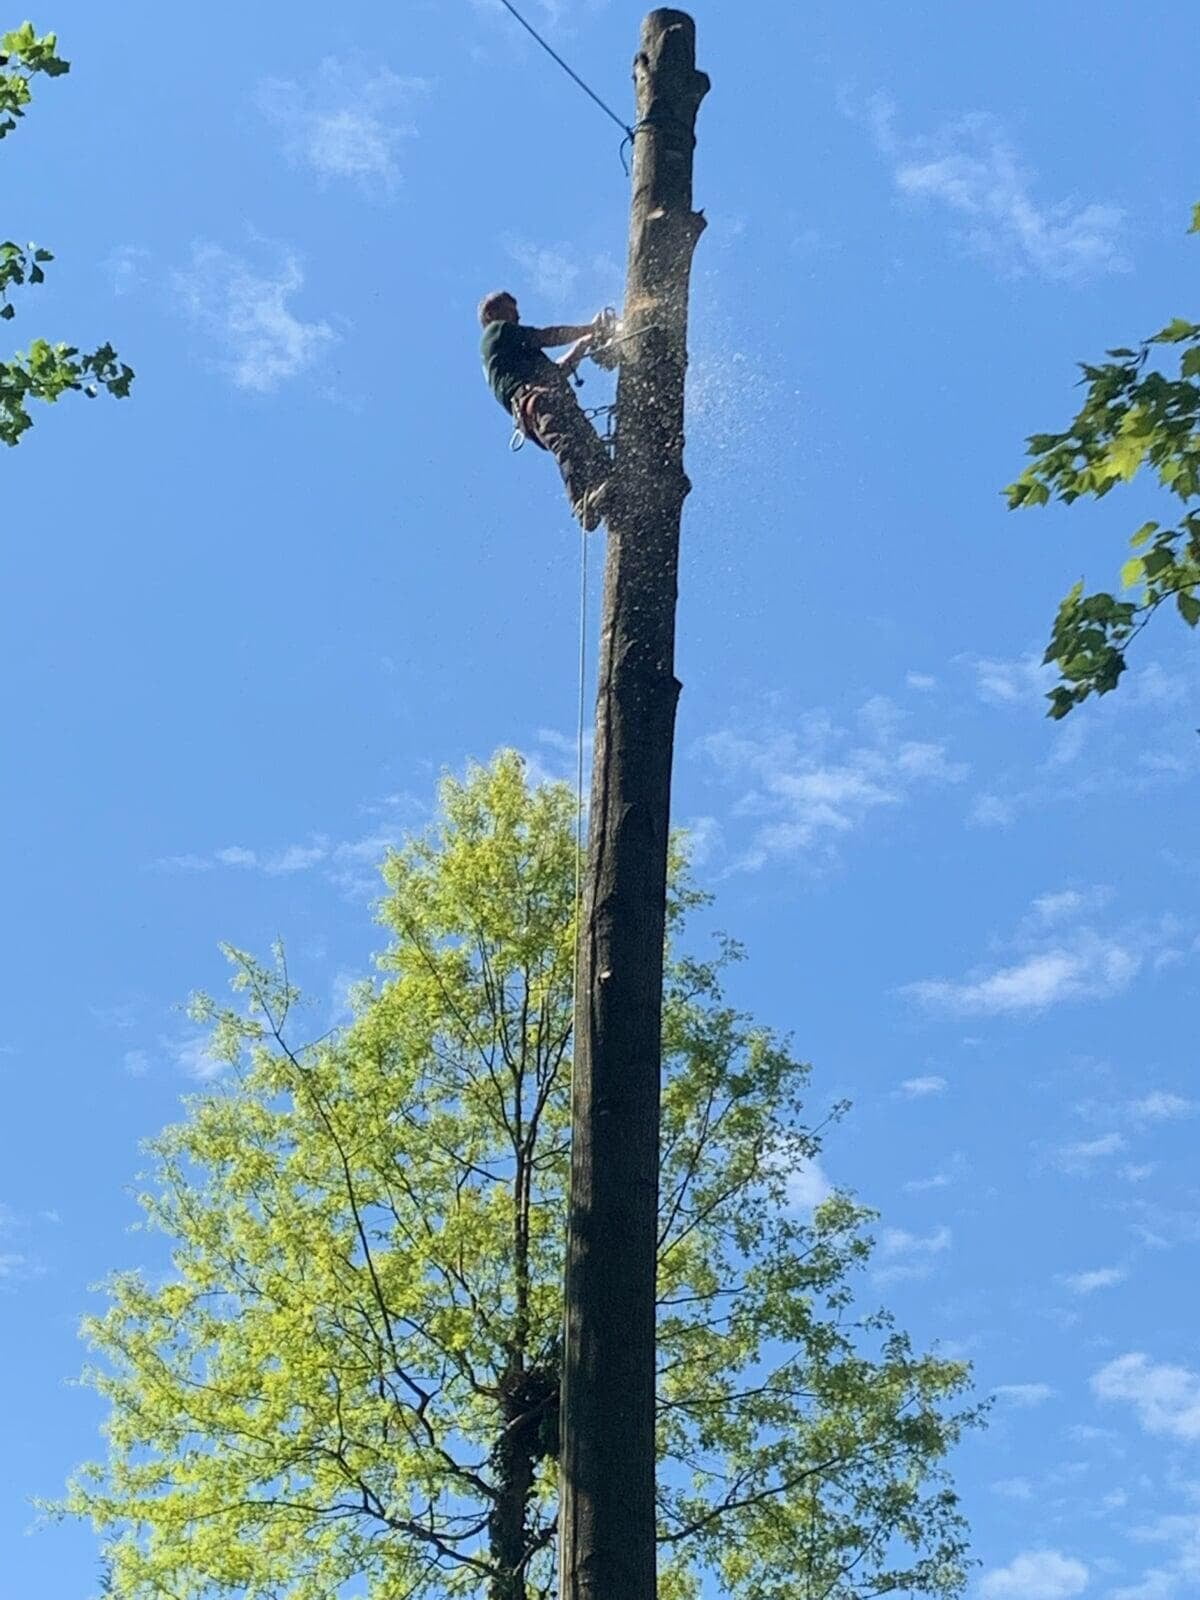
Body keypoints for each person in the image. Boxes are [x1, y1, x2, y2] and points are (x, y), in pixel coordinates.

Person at [479, 290, 616, 531]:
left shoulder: (515, 354)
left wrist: (583, 345)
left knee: (593, 449)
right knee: (567, 443)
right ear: (493, 314)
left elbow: (557, 371)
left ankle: (610, 490)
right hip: (537, 402)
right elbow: (546, 336)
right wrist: (590, 328)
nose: (518, 316)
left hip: (549, 400)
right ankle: (582, 504)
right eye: (511, 310)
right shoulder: (497, 332)